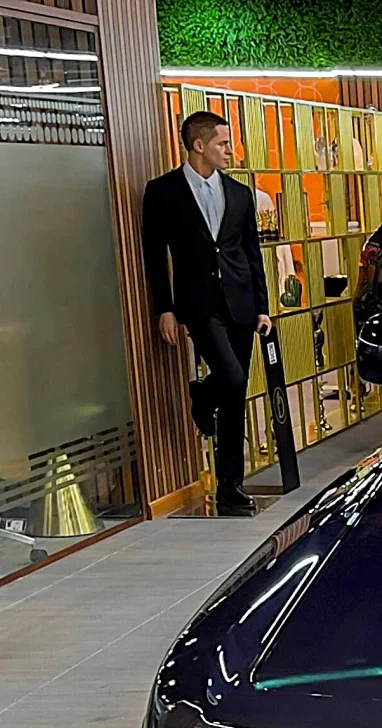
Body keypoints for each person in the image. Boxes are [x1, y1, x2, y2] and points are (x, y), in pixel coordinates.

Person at [142, 110, 272, 517]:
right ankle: (202, 395)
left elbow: (252, 254)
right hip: (197, 305)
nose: (231, 151)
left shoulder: (240, 193)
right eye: (223, 143)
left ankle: (231, 488)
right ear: (199, 145)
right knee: (232, 378)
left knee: (235, 394)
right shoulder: (161, 192)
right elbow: (153, 256)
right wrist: (164, 308)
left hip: (241, 303)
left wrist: (263, 308)